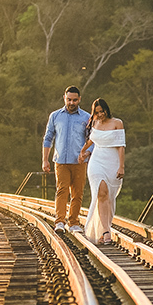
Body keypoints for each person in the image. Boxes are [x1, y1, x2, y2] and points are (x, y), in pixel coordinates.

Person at [42, 85, 91, 233]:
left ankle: (74, 222)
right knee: (62, 190)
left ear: (79, 100)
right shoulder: (55, 116)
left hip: (79, 161)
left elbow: (91, 139)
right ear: (64, 98)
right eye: (69, 99)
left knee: (77, 192)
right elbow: (48, 138)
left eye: (74, 100)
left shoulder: (86, 117)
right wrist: (45, 159)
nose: (71, 103)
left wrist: (87, 153)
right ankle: (60, 222)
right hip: (61, 161)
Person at [79, 98, 125, 244]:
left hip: (112, 161)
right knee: (101, 192)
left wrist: (121, 166)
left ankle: (104, 228)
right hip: (96, 162)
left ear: (107, 110)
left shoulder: (117, 123)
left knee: (109, 198)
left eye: (102, 111)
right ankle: (106, 232)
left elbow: (121, 146)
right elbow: (92, 140)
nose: (100, 115)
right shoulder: (94, 123)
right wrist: (83, 151)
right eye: (97, 112)